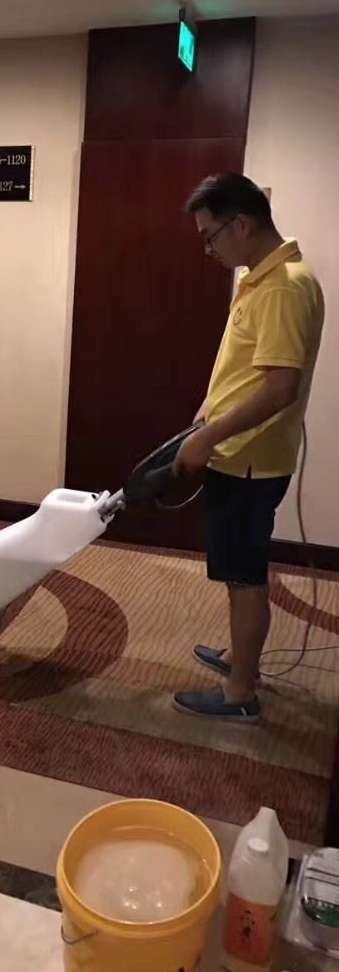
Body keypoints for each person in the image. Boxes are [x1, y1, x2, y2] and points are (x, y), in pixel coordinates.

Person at [172, 174, 323, 722]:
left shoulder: (282, 286)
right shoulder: (263, 278)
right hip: (240, 453)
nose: (208, 249)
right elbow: (247, 370)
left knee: (244, 576)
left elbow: (280, 388)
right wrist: (205, 414)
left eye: (210, 236)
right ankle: (242, 659)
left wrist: (209, 437)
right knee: (239, 568)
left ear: (241, 224)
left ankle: (239, 693)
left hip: (249, 460)